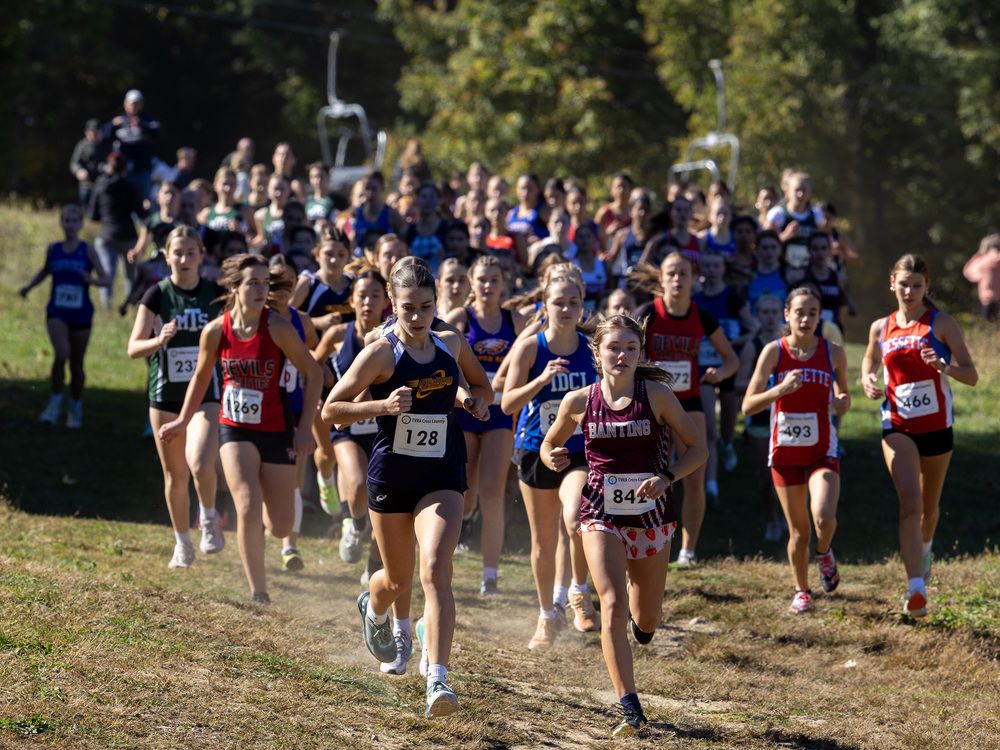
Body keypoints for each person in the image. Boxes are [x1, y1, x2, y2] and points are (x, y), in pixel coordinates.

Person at [321, 259, 491, 718]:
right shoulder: (381, 353)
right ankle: (372, 607)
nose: (417, 318)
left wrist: (474, 400)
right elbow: (331, 410)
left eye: (426, 307)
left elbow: (480, 384)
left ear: (436, 305)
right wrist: (381, 404)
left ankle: (437, 679)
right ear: (392, 307)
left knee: (435, 569)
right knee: (396, 580)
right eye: (408, 308)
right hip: (393, 476)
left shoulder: (450, 342)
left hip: (442, 475)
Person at [541, 315, 707, 737]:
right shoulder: (579, 401)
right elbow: (550, 443)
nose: (622, 355)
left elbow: (698, 449)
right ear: (596, 354)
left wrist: (667, 478)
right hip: (600, 511)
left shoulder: (658, 396)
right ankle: (630, 706)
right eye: (613, 347)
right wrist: (552, 457)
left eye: (630, 349)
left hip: (652, 516)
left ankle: (642, 624)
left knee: (646, 619)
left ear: (641, 354)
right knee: (610, 602)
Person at [159, 253, 322, 602]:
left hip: (277, 429)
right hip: (235, 427)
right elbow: (201, 378)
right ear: (235, 287)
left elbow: (314, 372)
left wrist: (305, 427)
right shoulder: (216, 331)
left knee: (280, 524)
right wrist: (182, 420)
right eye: (253, 282)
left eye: (266, 282)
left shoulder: (277, 327)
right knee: (246, 503)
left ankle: (269, 520)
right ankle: (258, 590)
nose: (262, 289)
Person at [860, 255, 978, 617]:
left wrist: (943, 366)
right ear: (891, 283)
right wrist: (867, 379)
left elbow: (971, 375)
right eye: (904, 284)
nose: (909, 291)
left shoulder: (941, 324)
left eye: (917, 285)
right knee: (910, 503)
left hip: (937, 428)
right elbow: (869, 360)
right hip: (897, 424)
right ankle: (916, 589)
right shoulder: (881, 327)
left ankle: (925, 547)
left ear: (927, 287)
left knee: (928, 510)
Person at [502, 269, 601, 648]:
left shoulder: (591, 349)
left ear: (581, 307)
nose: (565, 308)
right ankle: (546, 615)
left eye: (573, 302)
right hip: (535, 449)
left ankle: (578, 590)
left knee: (576, 518)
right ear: (545, 305)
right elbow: (508, 402)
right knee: (543, 540)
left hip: (578, 450)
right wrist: (540, 380)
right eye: (558, 302)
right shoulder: (531, 347)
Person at [742, 286, 850, 614]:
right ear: (787, 315)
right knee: (799, 531)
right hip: (785, 451)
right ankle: (802, 591)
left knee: (824, 517)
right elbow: (747, 406)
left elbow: (843, 397)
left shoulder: (834, 352)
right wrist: (780, 389)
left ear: (820, 317)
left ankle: (825, 551)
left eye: (812, 313)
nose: (805, 318)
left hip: (821, 450)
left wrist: (843, 401)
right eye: (799, 312)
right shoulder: (774, 352)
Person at [126, 226, 226, 567]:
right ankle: (182, 543)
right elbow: (133, 348)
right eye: (177, 253)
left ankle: (209, 518)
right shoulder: (156, 295)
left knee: (199, 461)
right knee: (176, 474)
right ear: (166, 257)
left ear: (201, 256)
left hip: (206, 393)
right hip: (164, 393)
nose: (184, 259)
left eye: (190, 253)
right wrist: (158, 340)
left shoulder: (215, 294)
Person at [635, 252, 739, 567]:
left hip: (688, 400)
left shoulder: (703, 317)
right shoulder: (646, 314)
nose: (678, 280)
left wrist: (719, 375)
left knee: (694, 473)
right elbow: (622, 350)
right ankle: (649, 538)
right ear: (661, 279)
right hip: (651, 401)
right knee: (649, 474)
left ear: (693, 280)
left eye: (684, 274)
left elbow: (731, 359)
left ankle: (688, 550)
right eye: (671, 273)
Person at [445, 256, 527, 594]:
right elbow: (440, 362)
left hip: (499, 416)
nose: (488, 286)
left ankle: (490, 575)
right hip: (464, 411)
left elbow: (532, 360)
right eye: (482, 280)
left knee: (493, 492)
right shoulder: (459, 319)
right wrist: (467, 394)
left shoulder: (516, 321)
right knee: (465, 497)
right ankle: (441, 562)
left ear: (503, 284)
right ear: (470, 284)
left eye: (495, 280)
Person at [20, 204, 110, 427]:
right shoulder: (54, 249)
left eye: (74, 221)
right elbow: (45, 270)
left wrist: (91, 280)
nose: (70, 225)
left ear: (81, 224)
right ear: (61, 223)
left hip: (81, 314)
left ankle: (75, 406)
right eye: (66, 220)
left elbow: (105, 278)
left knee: (77, 365)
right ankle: (54, 402)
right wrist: (28, 287)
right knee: (61, 354)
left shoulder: (87, 249)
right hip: (57, 312)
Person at [268, 255, 319, 571]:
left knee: (295, 477)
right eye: (274, 282)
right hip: (262, 410)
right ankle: (270, 526)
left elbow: (311, 360)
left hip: (296, 406)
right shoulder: (257, 320)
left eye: (288, 282)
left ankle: (290, 546)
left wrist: (318, 390)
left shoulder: (302, 322)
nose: (280, 289)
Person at [735, 294, 786, 541]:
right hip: (760, 419)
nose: (769, 317)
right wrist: (770, 386)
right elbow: (739, 382)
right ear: (757, 316)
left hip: (789, 418)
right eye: (764, 312)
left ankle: (789, 518)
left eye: (773, 312)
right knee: (767, 473)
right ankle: (772, 520)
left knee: (792, 471)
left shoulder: (789, 344)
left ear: (782, 314)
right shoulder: (752, 346)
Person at [90, 151, 145, 308]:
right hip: (128, 235)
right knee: (131, 276)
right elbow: (141, 213)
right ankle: (132, 307)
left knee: (107, 274)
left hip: (106, 235)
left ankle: (106, 307)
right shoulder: (130, 185)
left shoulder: (101, 185)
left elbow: (93, 214)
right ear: (125, 167)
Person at [103, 89, 160, 201]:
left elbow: (157, 132)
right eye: (131, 103)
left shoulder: (147, 120)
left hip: (142, 169)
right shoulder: (118, 121)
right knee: (122, 199)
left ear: (141, 104)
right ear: (125, 104)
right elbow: (103, 137)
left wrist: (141, 125)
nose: (134, 106)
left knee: (143, 200)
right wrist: (112, 126)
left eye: (137, 103)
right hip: (122, 171)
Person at [963, 233, 1000, 322]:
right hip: (990, 299)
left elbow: (969, 272)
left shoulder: (981, 261)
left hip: (987, 299)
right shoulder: (988, 260)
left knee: (988, 326)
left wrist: (979, 255)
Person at [69, 119, 103, 208]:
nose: (94, 134)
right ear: (86, 132)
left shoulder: (107, 145)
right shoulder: (82, 145)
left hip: (103, 185)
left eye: (97, 131)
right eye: (92, 131)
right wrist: (79, 171)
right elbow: (74, 162)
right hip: (87, 185)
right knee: (86, 209)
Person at [594, 173, 634, 240]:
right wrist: (608, 233)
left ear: (630, 189)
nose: (621, 190)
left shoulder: (635, 212)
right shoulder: (604, 212)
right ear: (612, 190)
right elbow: (593, 237)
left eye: (624, 186)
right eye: (618, 186)